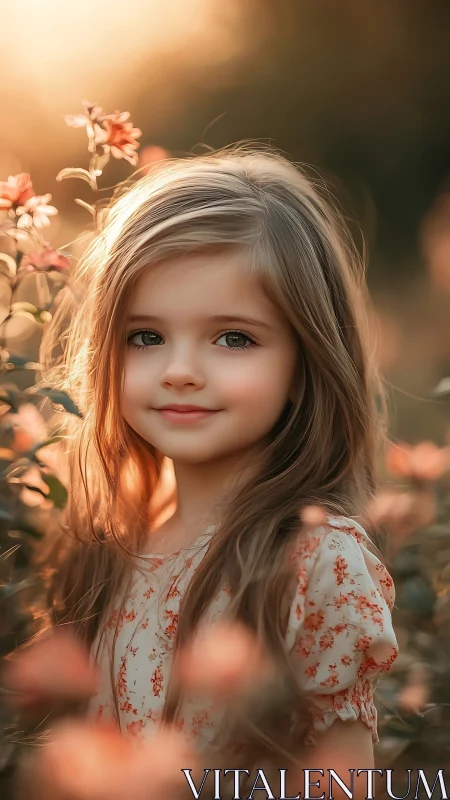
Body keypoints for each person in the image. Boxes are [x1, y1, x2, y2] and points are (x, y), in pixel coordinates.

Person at [31, 144, 399, 793]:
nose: (179, 369)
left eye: (234, 338)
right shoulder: (113, 537)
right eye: (145, 336)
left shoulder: (316, 562)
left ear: (304, 362)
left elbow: (344, 781)